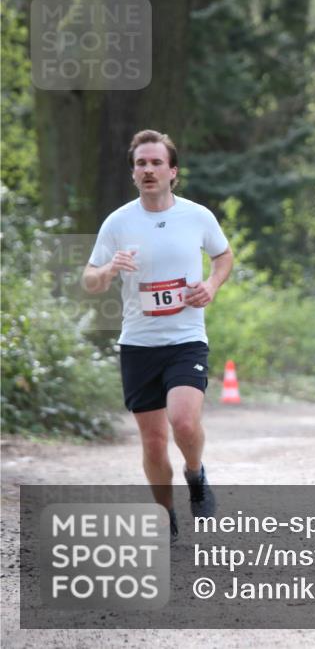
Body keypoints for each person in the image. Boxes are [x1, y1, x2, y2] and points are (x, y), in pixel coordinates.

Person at [83, 129, 233, 541]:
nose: (148, 170)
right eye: (141, 164)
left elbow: (222, 255)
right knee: (152, 442)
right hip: (138, 345)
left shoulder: (197, 216)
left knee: (184, 421)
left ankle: (195, 473)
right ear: (133, 173)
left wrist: (212, 285)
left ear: (173, 172)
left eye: (156, 163)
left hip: (186, 340)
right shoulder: (118, 222)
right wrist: (110, 269)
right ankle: (165, 515)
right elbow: (90, 280)